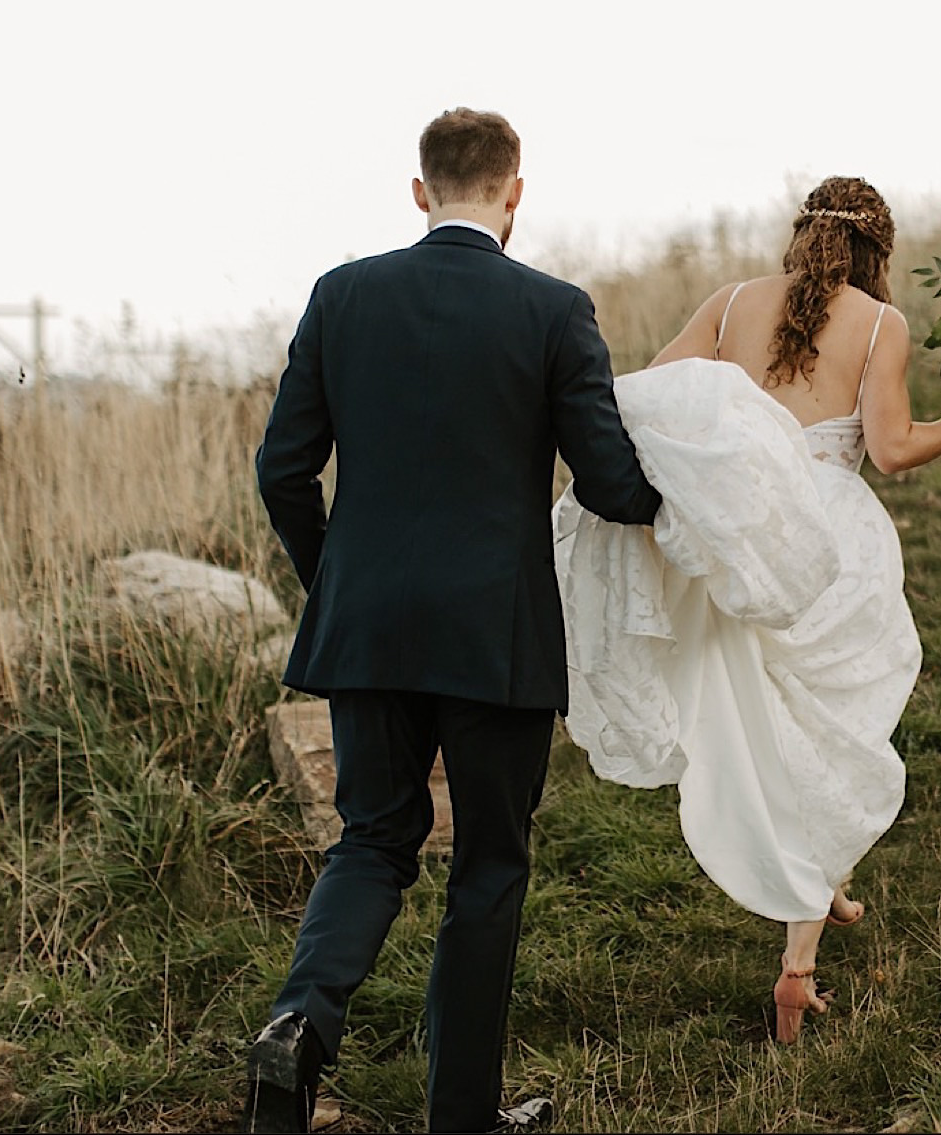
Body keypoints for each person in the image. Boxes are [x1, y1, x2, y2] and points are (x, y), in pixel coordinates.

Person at [248, 108, 661, 1134]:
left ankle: (299, 1025)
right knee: (487, 864)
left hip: (368, 631)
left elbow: (280, 469)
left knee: (372, 840)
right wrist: (694, 499)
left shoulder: (341, 296)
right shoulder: (554, 311)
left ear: (421, 191)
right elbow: (611, 486)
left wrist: (334, 580)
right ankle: (461, 1119)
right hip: (497, 639)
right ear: (515, 194)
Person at [551, 175, 941, 1043]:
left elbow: (647, 395)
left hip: (740, 542)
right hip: (827, 545)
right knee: (835, 729)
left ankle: (811, 881)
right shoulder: (881, 324)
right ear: (877, 251)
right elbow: (891, 448)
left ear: (800, 237)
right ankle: (797, 961)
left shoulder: (729, 304)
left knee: (766, 724)